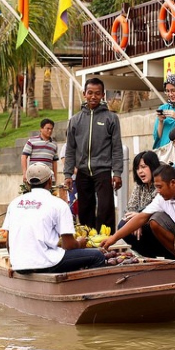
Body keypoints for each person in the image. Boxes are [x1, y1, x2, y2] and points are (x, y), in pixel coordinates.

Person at [4, 163, 105, 274]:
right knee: (98, 256)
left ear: (28, 183)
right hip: (46, 264)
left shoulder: (14, 203)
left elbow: (8, 243)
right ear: (50, 181)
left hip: (19, 266)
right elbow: (69, 245)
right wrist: (80, 243)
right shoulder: (58, 204)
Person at [63, 78, 123, 234]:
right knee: (85, 210)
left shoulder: (111, 118)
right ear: (84, 94)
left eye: (97, 93)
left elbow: (116, 147)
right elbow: (70, 149)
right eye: (90, 93)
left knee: (106, 208)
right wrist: (68, 174)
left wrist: (117, 173)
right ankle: (88, 241)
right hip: (82, 171)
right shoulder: (75, 120)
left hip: (103, 170)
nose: (93, 97)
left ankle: (106, 241)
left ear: (103, 95)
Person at [120, 150, 172, 258]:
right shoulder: (140, 185)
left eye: (143, 167)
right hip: (144, 219)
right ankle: (148, 256)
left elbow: (157, 208)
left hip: (160, 223)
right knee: (123, 224)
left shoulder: (161, 181)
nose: (140, 171)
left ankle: (167, 255)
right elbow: (130, 208)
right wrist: (135, 220)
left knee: (149, 224)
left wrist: (139, 218)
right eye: (138, 168)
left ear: (152, 166)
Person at [21, 118, 58, 183]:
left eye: (51, 129)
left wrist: (55, 177)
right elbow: (24, 156)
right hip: (34, 176)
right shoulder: (32, 141)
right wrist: (25, 173)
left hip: (48, 178)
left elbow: (54, 162)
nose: (50, 131)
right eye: (48, 128)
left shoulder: (54, 144)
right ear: (41, 129)